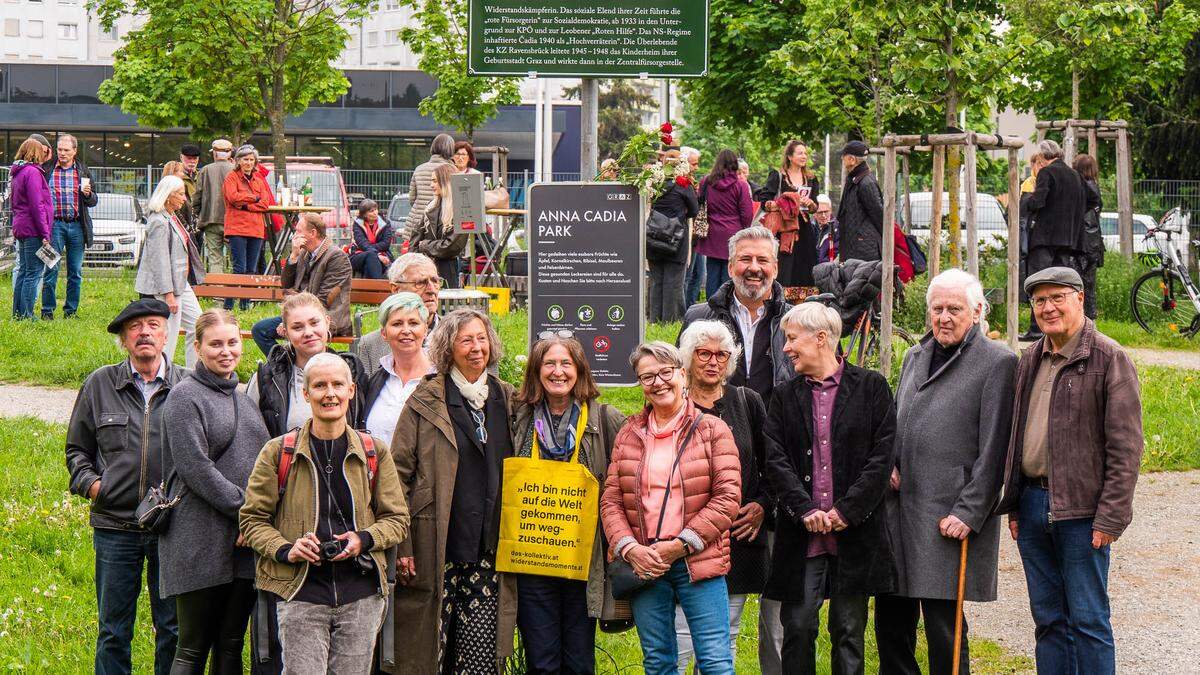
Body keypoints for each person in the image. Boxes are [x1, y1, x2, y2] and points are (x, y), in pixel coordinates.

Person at [995, 267, 1143, 675]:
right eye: (1040, 301)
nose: (1048, 307)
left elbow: (1126, 448)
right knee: (1048, 621)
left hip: (1082, 513)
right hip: (1031, 504)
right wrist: (1015, 506)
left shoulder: (1109, 358)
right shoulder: (1029, 359)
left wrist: (1111, 516)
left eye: (1058, 297)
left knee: (1089, 621)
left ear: (1079, 298)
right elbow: (1017, 435)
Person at [874, 269, 1017, 675]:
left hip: (947, 516)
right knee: (892, 624)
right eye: (937, 308)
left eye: (954, 308)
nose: (944, 317)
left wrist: (970, 513)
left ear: (977, 311)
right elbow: (897, 423)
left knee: (944, 631)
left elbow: (996, 452)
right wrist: (888, 466)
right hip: (899, 513)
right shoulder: (914, 356)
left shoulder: (998, 362)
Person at [239, 353, 411, 674]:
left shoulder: (374, 452)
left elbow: (397, 520)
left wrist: (363, 539)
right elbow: (252, 520)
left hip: (361, 592)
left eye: (337, 384)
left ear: (351, 390)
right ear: (306, 393)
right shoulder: (279, 452)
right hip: (300, 590)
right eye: (319, 385)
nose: (329, 393)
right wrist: (287, 549)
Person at [763, 301, 897, 675]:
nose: (786, 348)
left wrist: (845, 512)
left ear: (821, 339)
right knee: (799, 628)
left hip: (853, 535)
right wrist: (805, 510)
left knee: (849, 631)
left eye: (792, 339)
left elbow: (881, 458)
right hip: (802, 537)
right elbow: (775, 461)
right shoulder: (784, 396)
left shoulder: (872, 388)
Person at [600, 341, 741, 675]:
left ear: (682, 374)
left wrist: (680, 546)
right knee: (659, 661)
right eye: (647, 377)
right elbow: (611, 499)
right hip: (647, 564)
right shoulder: (629, 433)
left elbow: (727, 497)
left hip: (698, 560)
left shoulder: (712, 430)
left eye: (665, 372)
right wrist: (629, 548)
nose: (658, 382)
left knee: (715, 662)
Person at [390, 308, 518, 673]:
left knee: (478, 657)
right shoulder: (426, 399)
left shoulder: (508, 399)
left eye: (481, 338)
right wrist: (403, 545)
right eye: (466, 340)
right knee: (430, 653)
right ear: (449, 347)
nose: (476, 348)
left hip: (489, 551)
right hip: (435, 544)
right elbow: (397, 474)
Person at [65, 299, 184, 675]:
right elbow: (76, 449)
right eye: (134, 327)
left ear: (167, 334)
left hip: (174, 529)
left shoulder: (188, 386)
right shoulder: (100, 384)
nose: (144, 332)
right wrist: (95, 487)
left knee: (173, 629)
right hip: (115, 527)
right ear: (123, 340)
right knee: (113, 631)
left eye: (152, 324)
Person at [158, 308, 271, 673]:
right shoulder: (184, 397)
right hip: (199, 537)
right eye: (216, 344)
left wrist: (252, 522)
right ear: (198, 347)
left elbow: (264, 466)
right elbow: (196, 469)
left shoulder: (244, 399)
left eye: (233, 342)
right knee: (192, 647)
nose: (226, 351)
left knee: (231, 643)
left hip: (242, 542)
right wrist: (247, 513)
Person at [509, 334, 626, 675]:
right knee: (541, 661)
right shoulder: (519, 418)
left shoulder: (605, 419)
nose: (558, 372)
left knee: (579, 660)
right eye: (549, 363)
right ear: (536, 370)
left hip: (583, 558)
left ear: (580, 370)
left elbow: (624, 484)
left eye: (566, 364)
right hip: (532, 558)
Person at [674, 321, 772, 674]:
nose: (713, 362)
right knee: (680, 639)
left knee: (723, 639)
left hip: (737, 542)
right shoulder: (673, 404)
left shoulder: (747, 402)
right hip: (680, 540)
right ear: (688, 357)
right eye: (704, 353)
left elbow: (771, 464)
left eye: (721, 354)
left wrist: (762, 504)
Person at [680, 226, 793, 402]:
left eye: (762, 260)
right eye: (745, 259)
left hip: (777, 427)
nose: (754, 268)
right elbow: (681, 378)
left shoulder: (795, 322)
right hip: (715, 425)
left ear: (776, 268)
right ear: (730, 267)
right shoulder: (698, 317)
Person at [248, 291, 368, 436]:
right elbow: (251, 435)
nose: (308, 332)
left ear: (327, 322)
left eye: (314, 323)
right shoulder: (267, 378)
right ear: (286, 333)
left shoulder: (352, 371)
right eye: (297, 327)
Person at [251, 213, 353, 357]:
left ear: (312, 233)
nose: (295, 235)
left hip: (328, 317)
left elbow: (325, 300)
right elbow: (286, 284)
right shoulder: (304, 253)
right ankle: (287, 365)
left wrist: (291, 322)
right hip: (301, 313)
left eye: (298, 231)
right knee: (260, 330)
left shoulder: (336, 257)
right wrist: (293, 256)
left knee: (294, 333)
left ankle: (305, 366)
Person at [134, 174, 205, 368]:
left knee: (198, 326)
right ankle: (163, 374)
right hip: (168, 288)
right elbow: (160, 262)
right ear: (167, 196)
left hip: (181, 284)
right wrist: (169, 295)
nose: (184, 198)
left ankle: (193, 373)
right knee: (169, 334)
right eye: (180, 194)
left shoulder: (172, 216)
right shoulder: (158, 221)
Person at [1023, 140, 1085, 339]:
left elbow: (1038, 201)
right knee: (1061, 286)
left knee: (1039, 283)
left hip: (1045, 237)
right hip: (1068, 239)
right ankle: (1063, 326)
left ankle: (1036, 329)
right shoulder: (1075, 175)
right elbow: (1089, 201)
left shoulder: (1046, 173)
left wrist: (1025, 198)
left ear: (1042, 157)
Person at [351, 252, 442, 377]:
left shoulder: (454, 338)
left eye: (435, 281)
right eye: (420, 283)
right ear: (395, 289)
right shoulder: (370, 345)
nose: (431, 290)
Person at [362, 292, 434, 448]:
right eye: (397, 324)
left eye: (413, 323)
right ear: (384, 333)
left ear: (425, 330)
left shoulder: (440, 377)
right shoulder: (375, 382)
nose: (406, 330)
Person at [41, 133, 98, 319]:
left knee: (75, 271)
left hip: (76, 227)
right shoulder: (47, 169)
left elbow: (93, 201)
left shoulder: (82, 170)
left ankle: (70, 312)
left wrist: (88, 195)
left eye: (66, 150)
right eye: (59, 150)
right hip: (54, 227)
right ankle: (47, 311)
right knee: (51, 268)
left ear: (74, 151)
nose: (62, 153)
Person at [755, 140, 821, 291]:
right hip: (784, 230)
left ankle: (802, 309)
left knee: (805, 270)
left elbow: (815, 207)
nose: (804, 156)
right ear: (790, 157)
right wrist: (785, 202)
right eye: (800, 153)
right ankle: (779, 304)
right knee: (784, 269)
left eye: (805, 153)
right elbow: (764, 202)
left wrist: (810, 203)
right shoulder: (778, 176)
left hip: (804, 230)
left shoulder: (811, 179)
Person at [648, 151, 700, 323]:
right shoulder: (683, 185)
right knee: (674, 282)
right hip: (676, 238)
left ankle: (654, 319)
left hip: (654, 237)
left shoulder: (655, 183)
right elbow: (694, 210)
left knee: (656, 281)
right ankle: (671, 321)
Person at [696, 149, 755, 300]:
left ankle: (711, 307)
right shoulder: (740, 185)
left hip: (712, 233)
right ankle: (727, 307)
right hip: (733, 233)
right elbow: (747, 213)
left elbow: (699, 203)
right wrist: (744, 231)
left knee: (712, 274)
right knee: (730, 273)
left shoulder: (706, 182)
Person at [221, 144, 272, 309]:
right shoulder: (231, 177)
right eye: (245, 159)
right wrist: (254, 198)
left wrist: (245, 205)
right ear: (238, 161)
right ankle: (228, 305)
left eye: (251, 159)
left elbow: (265, 203)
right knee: (239, 268)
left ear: (255, 161)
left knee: (251, 269)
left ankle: (245, 305)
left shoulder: (259, 179)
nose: (248, 162)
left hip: (256, 229)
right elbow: (233, 198)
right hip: (237, 228)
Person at [9, 138, 54, 320]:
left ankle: (18, 314)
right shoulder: (33, 173)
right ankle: (27, 315)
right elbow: (37, 205)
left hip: (21, 226)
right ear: (36, 153)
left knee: (23, 272)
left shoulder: (18, 172)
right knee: (33, 274)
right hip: (33, 229)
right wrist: (45, 233)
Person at [408, 163, 468, 289]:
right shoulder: (431, 206)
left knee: (445, 304)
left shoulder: (461, 209)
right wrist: (412, 262)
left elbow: (452, 246)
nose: (431, 185)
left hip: (448, 267)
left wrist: (425, 245)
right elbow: (416, 235)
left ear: (446, 181)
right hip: (425, 266)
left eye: (435, 181)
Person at [836, 140, 884, 263]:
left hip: (864, 250)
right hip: (855, 246)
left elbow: (879, 216)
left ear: (852, 160)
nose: (842, 159)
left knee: (862, 281)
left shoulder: (866, 182)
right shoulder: (854, 179)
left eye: (844, 157)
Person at [192, 138, 235, 273]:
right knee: (235, 258)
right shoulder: (236, 170)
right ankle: (238, 290)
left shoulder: (205, 170)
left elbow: (197, 196)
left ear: (215, 154)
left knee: (215, 258)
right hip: (233, 222)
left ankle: (217, 291)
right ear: (229, 154)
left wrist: (196, 213)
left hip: (210, 220)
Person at [1073, 154, 1104, 320]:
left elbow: (1086, 220)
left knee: (1078, 283)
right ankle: (1090, 319)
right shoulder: (1094, 186)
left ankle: (1084, 319)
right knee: (1089, 285)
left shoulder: (1083, 188)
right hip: (1094, 243)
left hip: (1085, 244)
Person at [406, 133, 456, 237]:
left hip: (416, 221)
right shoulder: (451, 170)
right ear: (450, 149)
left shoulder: (419, 168)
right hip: (440, 223)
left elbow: (412, 199)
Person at [680, 146, 706, 307]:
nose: (696, 167)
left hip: (698, 233)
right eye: (694, 164)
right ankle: (684, 310)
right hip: (689, 232)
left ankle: (691, 307)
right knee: (688, 275)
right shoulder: (682, 183)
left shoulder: (692, 182)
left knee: (698, 274)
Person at [350, 198, 394, 280]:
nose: (375, 213)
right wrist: (378, 255)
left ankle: (370, 290)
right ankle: (378, 288)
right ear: (364, 214)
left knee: (370, 264)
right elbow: (362, 244)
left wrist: (373, 252)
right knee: (371, 256)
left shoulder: (385, 223)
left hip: (383, 255)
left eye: (376, 209)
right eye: (371, 211)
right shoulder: (357, 224)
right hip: (359, 255)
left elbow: (386, 244)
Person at [162, 161, 199, 233]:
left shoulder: (182, 186)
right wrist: (187, 228)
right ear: (173, 172)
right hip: (181, 230)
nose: (183, 174)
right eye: (181, 171)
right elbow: (176, 212)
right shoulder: (171, 191)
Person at [814, 195, 839, 263]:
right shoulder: (810, 228)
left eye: (826, 212)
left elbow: (836, 252)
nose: (824, 215)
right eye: (820, 212)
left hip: (826, 268)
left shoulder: (837, 228)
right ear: (814, 213)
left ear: (830, 210)